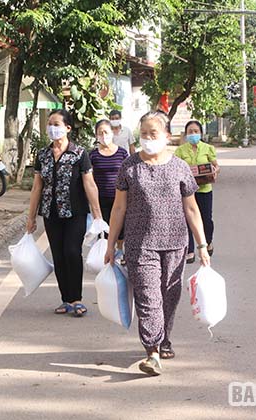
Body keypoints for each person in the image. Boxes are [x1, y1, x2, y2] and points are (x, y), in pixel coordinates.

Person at [104, 111, 210, 376]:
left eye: (153, 133)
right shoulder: (129, 166)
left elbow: (192, 209)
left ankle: (164, 339)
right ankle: (151, 351)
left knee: (169, 296)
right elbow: (119, 208)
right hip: (140, 244)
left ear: (167, 136)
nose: (148, 138)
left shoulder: (179, 168)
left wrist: (202, 246)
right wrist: (111, 243)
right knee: (148, 297)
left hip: (175, 243)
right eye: (143, 134)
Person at [27, 109, 103, 317]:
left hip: (75, 213)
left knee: (71, 252)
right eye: (50, 124)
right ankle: (66, 299)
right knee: (58, 256)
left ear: (68, 128)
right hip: (51, 213)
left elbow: (90, 185)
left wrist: (97, 215)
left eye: (57, 124)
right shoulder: (43, 155)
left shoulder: (79, 154)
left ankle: (76, 298)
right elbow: (37, 187)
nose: (52, 128)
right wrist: (31, 217)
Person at [174, 120, 219, 264]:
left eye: (195, 131)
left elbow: (216, 166)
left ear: (200, 133)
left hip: (204, 190)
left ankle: (208, 241)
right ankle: (190, 251)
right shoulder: (180, 151)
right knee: (187, 220)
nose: (193, 134)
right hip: (187, 192)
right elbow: (175, 169)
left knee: (206, 220)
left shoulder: (208, 148)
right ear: (186, 134)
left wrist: (215, 171)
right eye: (190, 132)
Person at [89, 119, 129, 251]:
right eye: (100, 133)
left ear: (112, 133)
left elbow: (128, 175)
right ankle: (107, 255)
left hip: (120, 198)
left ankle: (120, 251)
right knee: (105, 230)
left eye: (106, 132)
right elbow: (89, 179)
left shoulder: (122, 153)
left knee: (121, 229)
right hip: (101, 199)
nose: (103, 135)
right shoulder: (93, 155)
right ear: (96, 135)